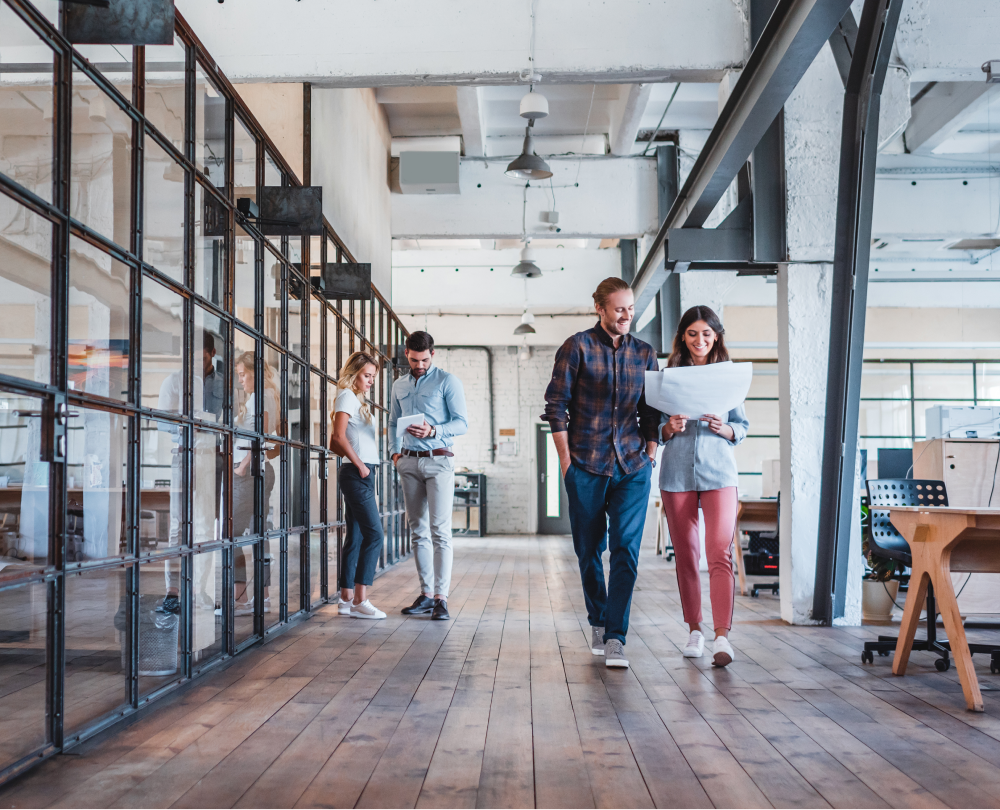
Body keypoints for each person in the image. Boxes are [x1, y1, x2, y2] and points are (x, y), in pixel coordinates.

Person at [542, 277, 660, 669]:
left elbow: (652, 410)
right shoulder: (577, 347)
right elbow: (555, 406)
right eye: (620, 308)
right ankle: (598, 618)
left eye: (630, 308)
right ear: (600, 308)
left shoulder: (644, 353)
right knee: (589, 551)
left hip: (632, 466)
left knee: (626, 550)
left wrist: (650, 453)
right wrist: (565, 462)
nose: (627, 315)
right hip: (587, 465)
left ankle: (615, 636)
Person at [658, 305, 748, 668]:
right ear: (683, 336)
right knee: (686, 555)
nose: (700, 340)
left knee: (718, 552)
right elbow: (655, 431)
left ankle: (722, 636)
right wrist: (668, 428)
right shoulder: (668, 378)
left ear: (716, 337)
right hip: (677, 475)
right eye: (693, 333)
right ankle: (694, 630)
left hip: (719, 476)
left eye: (707, 334)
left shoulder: (729, 378)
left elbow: (740, 427)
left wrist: (722, 428)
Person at [388, 331, 468, 621]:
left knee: (440, 531)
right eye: (413, 359)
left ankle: (441, 598)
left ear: (432, 354)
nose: (419, 365)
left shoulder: (448, 381)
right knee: (417, 531)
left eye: (423, 360)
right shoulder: (398, 385)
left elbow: (462, 423)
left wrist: (434, 431)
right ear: (406, 354)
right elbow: (393, 421)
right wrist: (395, 454)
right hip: (408, 463)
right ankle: (425, 594)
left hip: (439, 462)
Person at [330, 351, 387, 619]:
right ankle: (360, 601)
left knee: (356, 536)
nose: (371, 381)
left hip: (361, 471)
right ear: (353, 374)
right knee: (375, 535)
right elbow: (337, 437)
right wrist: (361, 465)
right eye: (367, 375)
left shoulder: (356, 401)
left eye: (373, 376)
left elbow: (341, 439)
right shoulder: (346, 397)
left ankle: (346, 598)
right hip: (358, 472)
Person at [230, 350, 278, 615]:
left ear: (254, 373)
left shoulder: (262, 397)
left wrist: (241, 467)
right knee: (257, 532)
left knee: (233, 534)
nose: (240, 380)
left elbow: (263, 436)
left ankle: (241, 599)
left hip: (249, 474)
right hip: (255, 472)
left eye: (242, 374)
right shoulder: (262, 397)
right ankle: (262, 597)